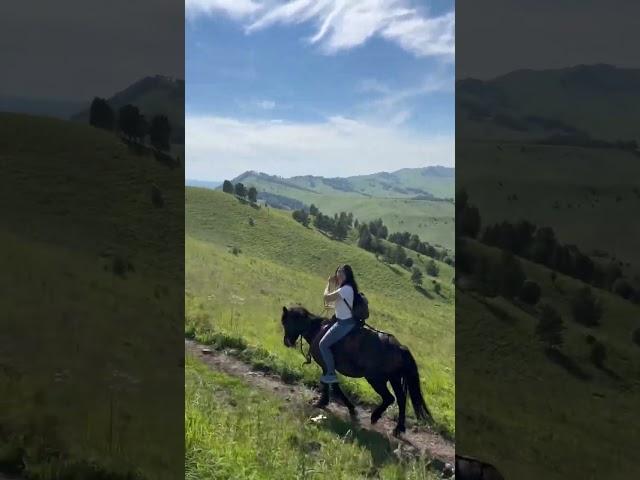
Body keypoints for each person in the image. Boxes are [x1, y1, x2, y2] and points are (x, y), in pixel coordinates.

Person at [319, 264, 359, 384]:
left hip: (344, 324)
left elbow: (327, 297)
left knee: (323, 345)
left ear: (347, 275)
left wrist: (328, 285)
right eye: (338, 272)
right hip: (343, 320)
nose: (339, 274)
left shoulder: (345, 289)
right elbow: (340, 304)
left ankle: (331, 374)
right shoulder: (346, 288)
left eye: (342, 273)